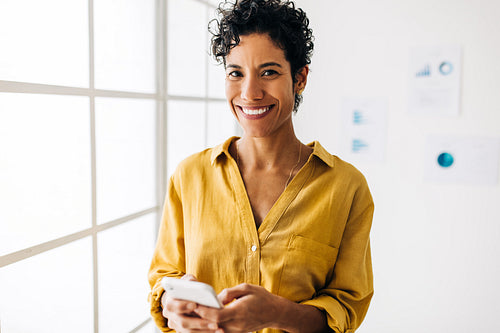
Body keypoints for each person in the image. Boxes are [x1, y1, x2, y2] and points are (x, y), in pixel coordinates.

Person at [148, 0, 374, 332]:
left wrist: (277, 313)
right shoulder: (190, 176)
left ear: (300, 79)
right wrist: (170, 302)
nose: (250, 93)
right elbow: (164, 277)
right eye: (235, 73)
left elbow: (346, 309)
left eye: (268, 72)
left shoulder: (346, 187)